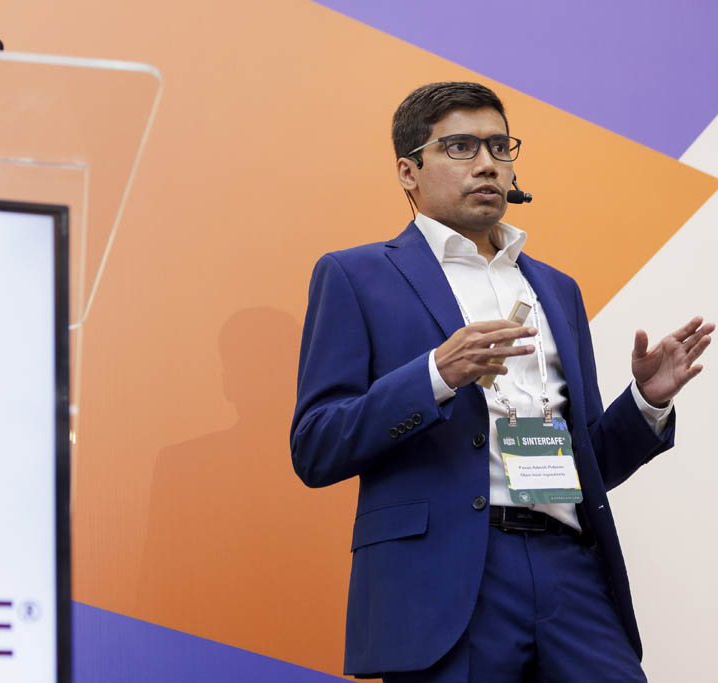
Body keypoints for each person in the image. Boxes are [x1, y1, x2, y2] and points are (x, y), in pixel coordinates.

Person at [289, 81, 713, 682]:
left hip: (569, 566)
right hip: (446, 579)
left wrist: (645, 401)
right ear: (409, 172)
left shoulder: (556, 288)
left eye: (499, 146)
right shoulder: (355, 276)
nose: (487, 163)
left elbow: (592, 463)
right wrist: (436, 375)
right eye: (460, 147)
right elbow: (316, 445)